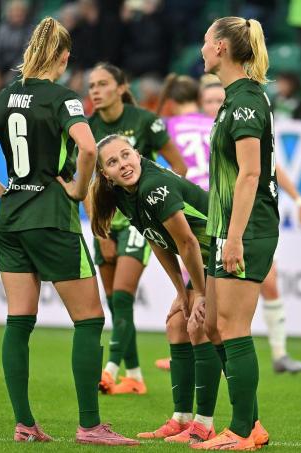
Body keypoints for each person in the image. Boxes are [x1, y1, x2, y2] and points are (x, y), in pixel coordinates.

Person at [0, 17, 137, 446]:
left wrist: (4, 191)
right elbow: (89, 148)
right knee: (90, 319)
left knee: (19, 321)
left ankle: (25, 423)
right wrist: (76, 187)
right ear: (64, 57)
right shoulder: (63, 99)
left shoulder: (4, 98)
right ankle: (90, 426)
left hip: (11, 219)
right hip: (51, 218)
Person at [155, 73, 301, 375]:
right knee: (201, 302)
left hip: (241, 218)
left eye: (218, 100)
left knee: (263, 284)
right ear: (201, 104)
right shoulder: (208, 130)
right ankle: (193, 356)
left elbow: (266, 167)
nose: (215, 104)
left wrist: (299, 200)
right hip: (204, 219)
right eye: (209, 101)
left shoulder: (234, 125)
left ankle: (278, 354)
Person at [89, 135, 219, 444]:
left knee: (199, 326)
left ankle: (204, 424)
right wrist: (180, 292)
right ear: (105, 175)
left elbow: (187, 242)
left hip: (224, 250)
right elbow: (157, 240)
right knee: (176, 325)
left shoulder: (152, 187)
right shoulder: (124, 194)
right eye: (112, 162)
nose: (123, 164)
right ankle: (182, 419)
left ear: (137, 152)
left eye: (125, 155)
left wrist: (198, 293)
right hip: (204, 257)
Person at [191, 16, 277, 450]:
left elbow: (250, 174)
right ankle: (251, 423)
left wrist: (236, 236)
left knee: (232, 325)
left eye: (206, 41)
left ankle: (243, 430)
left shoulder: (246, 101)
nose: (202, 48)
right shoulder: (232, 100)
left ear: (222, 47)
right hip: (225, 227)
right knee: (213, 329)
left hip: (247, 228)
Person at [85, 62, 177, 395]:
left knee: (123, 296)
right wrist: (99, 231)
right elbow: (86, 185)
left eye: (102, 83)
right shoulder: (87, 128)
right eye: (91, 85)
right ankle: (135, 376)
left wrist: (156, 194)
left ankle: (110, 370)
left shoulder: (146, 122)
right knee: (116, 304)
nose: (94, 90)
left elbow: (177, 166)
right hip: (105, 223)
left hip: (139, 220)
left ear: (122, 87)